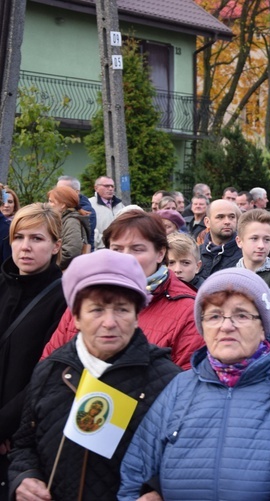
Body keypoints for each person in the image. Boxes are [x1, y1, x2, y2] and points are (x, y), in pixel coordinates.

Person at [118, 269, 270, 499]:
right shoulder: (180, 387)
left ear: (263, 326)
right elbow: (136, 473)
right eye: (214, 316)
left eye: (241, 315)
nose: (226, 326)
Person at [7, 250, 181, 501]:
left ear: (136, 316)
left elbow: (184, 458)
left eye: (122, 309)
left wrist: (158, 490)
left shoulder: (168, 381)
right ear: (76, 317)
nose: (109, 322)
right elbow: (24, 445)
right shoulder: (50, 371)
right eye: (96, 310)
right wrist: (24, 477)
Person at [42, 210, 205, 370]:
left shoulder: (187, 310)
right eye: (117, 249)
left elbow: (184, 382)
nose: (125, 257)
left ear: (160, 254)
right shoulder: (86, 294)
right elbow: (51, 364)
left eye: (137, 249)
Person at [0, 205, 67, 500]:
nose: (25, 247)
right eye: (19, 237)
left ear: (56, 246)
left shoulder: (64, 296)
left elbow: (48, 372)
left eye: (37, 239)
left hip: (21, 435)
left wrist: (5, 426)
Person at [47, 185, 91, 270]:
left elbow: (71, 252)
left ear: (63, 205)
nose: (48, 205)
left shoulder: (71, 221)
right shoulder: (64, 219)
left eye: (51, 201)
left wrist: (50, 266)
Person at [235, 209, 270, 288]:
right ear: (239, 241)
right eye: (254, 238)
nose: (261, 245)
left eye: (267, 240)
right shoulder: (230, 278)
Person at [196, 199, 243, 279]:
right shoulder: (195, 254)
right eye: (220, 217)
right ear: (207, 222)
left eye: (231, 217)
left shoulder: (245, 254)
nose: (227, 222)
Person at [88, 176, 124, 250]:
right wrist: (106, 242)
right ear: (96, 188)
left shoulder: (120, 205)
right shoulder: (89, 205)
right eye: (106, 186)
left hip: (119, 248)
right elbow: (89, 229)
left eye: (112, 186)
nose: (110, 189)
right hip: (100, 249)